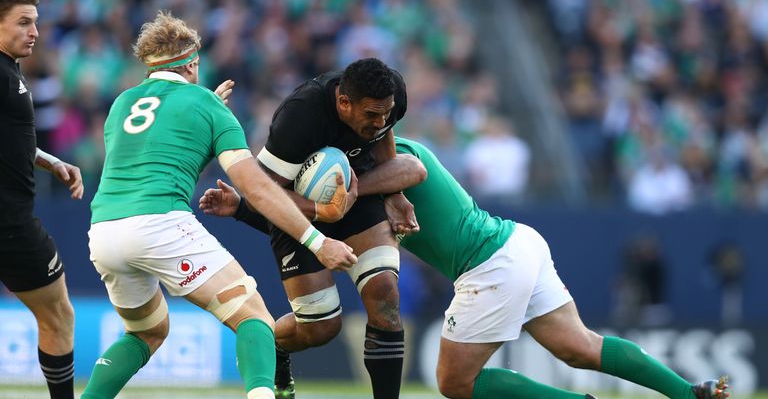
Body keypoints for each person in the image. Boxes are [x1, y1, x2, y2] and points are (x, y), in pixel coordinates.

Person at [201, 136, 730, 399]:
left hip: (489, 266)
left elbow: (323, 216)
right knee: (579, 346)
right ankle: (692, 394)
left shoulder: (382, 172)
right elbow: (319, 223)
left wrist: (265, 200)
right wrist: (246, 208)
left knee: (454, 383)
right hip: (517, 242)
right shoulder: (387, 162)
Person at [81, 11, 356, 399]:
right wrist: (317, 241)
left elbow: (158, 146)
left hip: (103, 231)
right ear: (193, 63)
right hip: (160, 224)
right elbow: (257, 189)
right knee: (253, 316)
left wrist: (203, 107)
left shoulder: (122, 104)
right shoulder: (210, 108)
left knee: (146, 332)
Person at [204, 57, 414, 399]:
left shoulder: (391, 98)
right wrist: (321, 210)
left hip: (356, 194)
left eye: (386, 114)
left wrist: (395, 192)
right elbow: (263, 195)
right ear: (344, 103)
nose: (380, 122)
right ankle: (271, 344)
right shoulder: (299, 117)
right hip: (295, 208)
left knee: (385, 294)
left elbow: (385, 137)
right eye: (371, 115)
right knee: (321, 328)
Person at [0, 0, 82, 399]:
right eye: (23, 22)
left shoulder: (10, 67)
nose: (34, 32)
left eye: (35, 22)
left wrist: (49, 160)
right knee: (58, 315)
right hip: (10, 225)